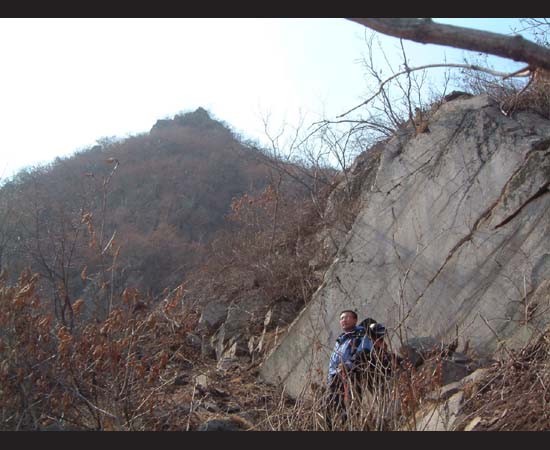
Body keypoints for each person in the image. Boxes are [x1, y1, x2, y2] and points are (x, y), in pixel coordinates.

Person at [324, 310, 373, 429]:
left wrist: (349, 364)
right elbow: (333, 361)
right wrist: (331, 377)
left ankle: (355, 426)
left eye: (347, 317)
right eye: (341, 318)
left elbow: (364, 352)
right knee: (330, 404)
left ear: (355, 320)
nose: (344, 320)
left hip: (353, 373)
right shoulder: (340, 340)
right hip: (336, 377)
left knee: (353, 403)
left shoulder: (361, 335)